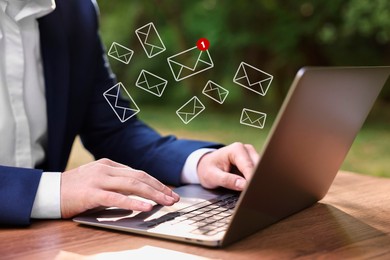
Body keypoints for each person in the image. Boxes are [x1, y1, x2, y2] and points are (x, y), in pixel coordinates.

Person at [0, 0, 259, 226]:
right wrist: (52, 192)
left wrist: (199, 163)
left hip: (44, 242)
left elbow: (115, 127)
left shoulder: (76, 11)